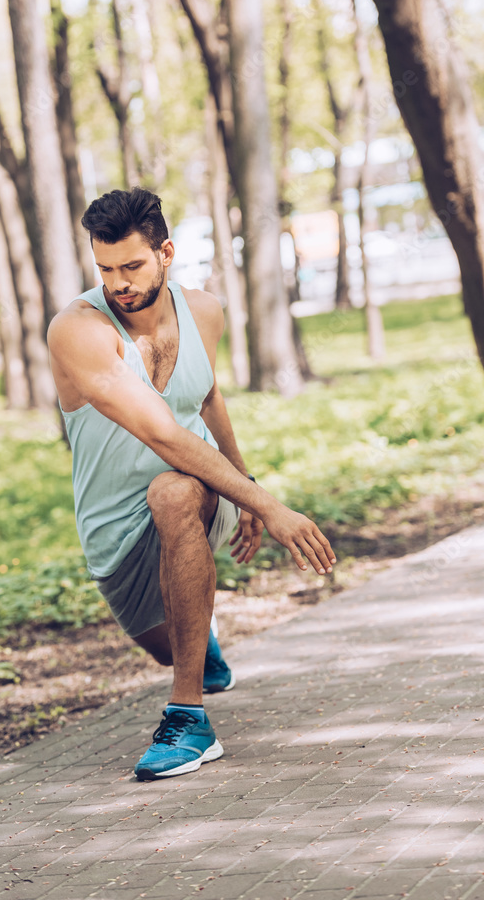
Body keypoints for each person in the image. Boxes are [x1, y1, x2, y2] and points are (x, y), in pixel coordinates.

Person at [47, 188, 336, 781]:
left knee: (173, 492)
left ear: (166, 252)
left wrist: (242, 482)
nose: (118, 282)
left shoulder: (203, 310)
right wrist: (269, 504)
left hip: (192, 489)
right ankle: (199, 648)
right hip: (114, 527)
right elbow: (161, 433)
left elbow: (204, 395)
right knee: (183, 649)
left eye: (132, 266)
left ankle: (189, 722)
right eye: (105, 269)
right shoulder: (78, 330)